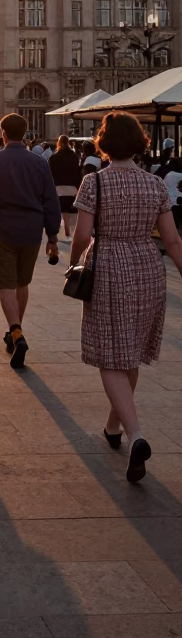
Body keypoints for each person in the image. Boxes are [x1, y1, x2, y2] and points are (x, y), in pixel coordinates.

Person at [71, 112, 182, 482]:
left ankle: (135, 434)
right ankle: (114, 427)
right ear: (139, 143)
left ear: (104, 142)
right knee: (130, 349)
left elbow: (83, 235)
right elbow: (172, 239)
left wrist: (73, 263)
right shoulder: (154, 185)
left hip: (108, 266)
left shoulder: (94, 183)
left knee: (109, 351)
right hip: (148, 268)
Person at [0, 112, 61, 369]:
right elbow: (50, 200)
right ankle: (16, 331)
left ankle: (16, 332)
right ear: (25, 134)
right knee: (22, 283)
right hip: (32, 230)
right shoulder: (39, 162)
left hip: (3, 228)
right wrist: (53, 235)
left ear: (2, 133)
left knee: (5, 284)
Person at [48, 133, 82, 240]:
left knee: (61, 208)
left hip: (58, 186)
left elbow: (50, 172)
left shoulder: (54, 157)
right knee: (69, 208)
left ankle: (62, 228)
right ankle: (69, 229)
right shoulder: (74, 156)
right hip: (72, 186)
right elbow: (77, 171)